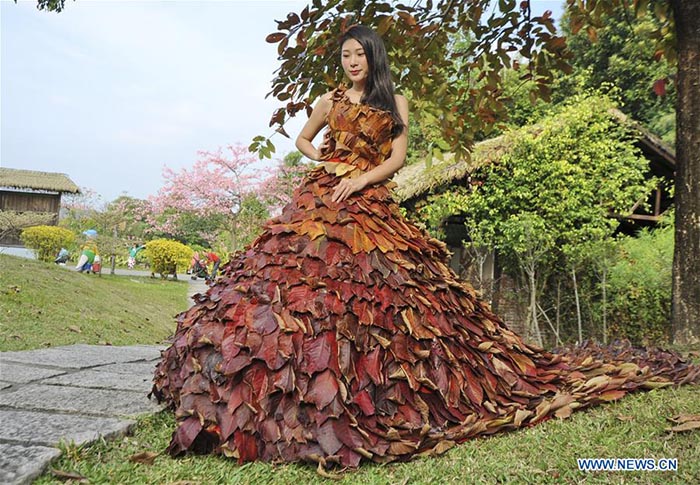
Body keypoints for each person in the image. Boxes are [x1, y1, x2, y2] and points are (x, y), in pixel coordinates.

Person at [152, 25, 698, 469]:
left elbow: (397, 159)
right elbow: (301, 137)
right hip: (322, 196)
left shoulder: (397, 101)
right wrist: (322, 160)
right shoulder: (328, 99)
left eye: (359, 53)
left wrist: (362, 179)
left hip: (367, 197)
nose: (351, 61)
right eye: (344, 54)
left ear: (373, 56)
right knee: (294, 280)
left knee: (379, 285)